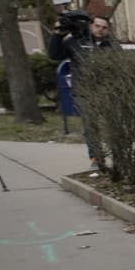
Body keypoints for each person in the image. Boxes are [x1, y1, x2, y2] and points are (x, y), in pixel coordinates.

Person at [47, 11, 118, 168]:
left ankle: (119, 157)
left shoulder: (112, 45)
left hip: (107, 91)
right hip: (84, 92)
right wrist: (58, 35)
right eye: (97, 26)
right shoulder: (76, 41)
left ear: (108, 30)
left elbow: (119, 65)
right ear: (91, 25)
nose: (100, 29)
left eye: (104, 27)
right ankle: (96, 160)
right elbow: (54, 54)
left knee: (114, 125)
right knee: (90, 127)